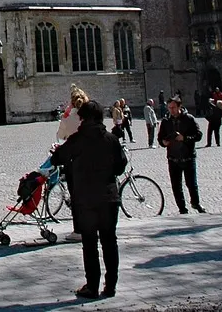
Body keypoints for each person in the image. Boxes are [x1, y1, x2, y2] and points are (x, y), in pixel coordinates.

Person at [51, 99, 128, 300]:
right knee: (110, 242)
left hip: (85, 200)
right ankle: (111, 286)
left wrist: (59, 154)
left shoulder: (77, 140)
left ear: (83, 118)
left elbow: (57, 159)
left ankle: (92, 286)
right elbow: (121, 166)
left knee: (90, 244)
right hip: (109, 198)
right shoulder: (111, 139)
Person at [158, 96, 205, 215]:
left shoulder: (189, 119)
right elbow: (160, 137)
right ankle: (182, 208)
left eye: (173, 107)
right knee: (176, 185)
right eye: (169, 108)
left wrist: (185, 138)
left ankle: (196, 203)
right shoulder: (166, 121)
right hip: (173, 158)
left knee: (192, 183)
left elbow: (198, 135)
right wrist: (163, 142)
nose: (171, 110)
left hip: (188, 156)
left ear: (179, 106)